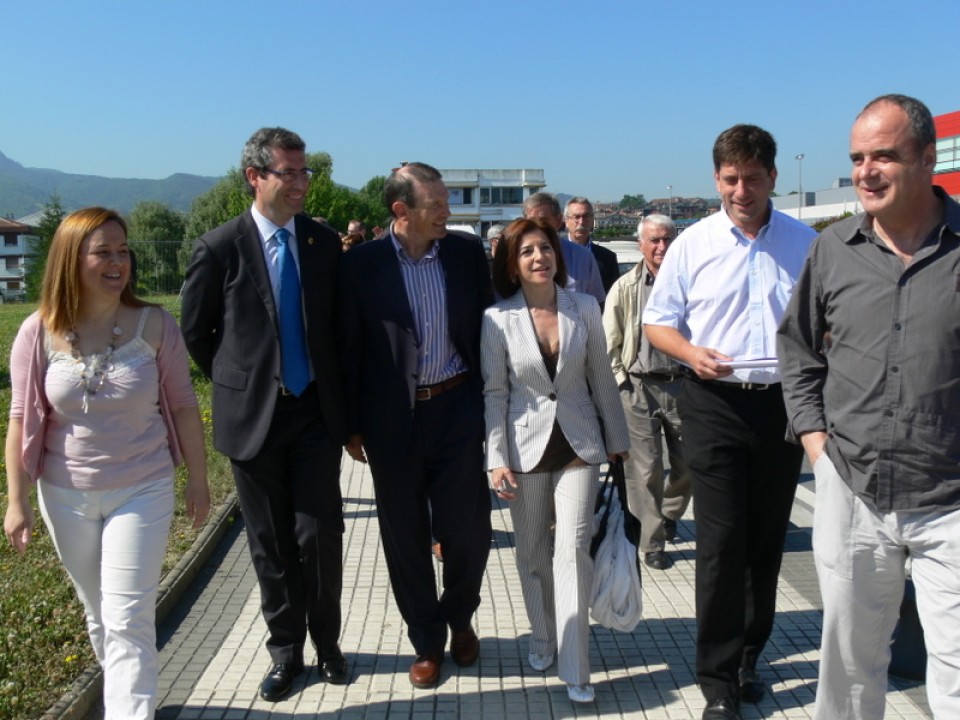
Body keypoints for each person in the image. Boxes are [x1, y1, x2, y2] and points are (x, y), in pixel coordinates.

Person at [778, 94, 960, 720]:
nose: (866, 172)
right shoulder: (834, 249)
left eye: (884, 156)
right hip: (854, 489)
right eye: (857, 158)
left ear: (928, 159)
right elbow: (797, 349)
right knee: (849, 671)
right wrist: (816, 445)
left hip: (950, 500)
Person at [3, 207, 210, 719]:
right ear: (71, 260)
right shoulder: (37, 332)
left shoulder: (155, 325)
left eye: (123, 251)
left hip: (143, 488)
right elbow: (20, 419)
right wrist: (16, 501)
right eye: (103, 252)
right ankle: (125, 697)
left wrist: (198, 479)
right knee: (99, 613)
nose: (119, 262)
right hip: (64, 494)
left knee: (127, 615)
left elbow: (185, 406)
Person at [643, 124, 815, 720]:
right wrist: (691, 354)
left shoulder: (806, 243)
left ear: (773, 177)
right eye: (731, 179)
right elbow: (657, 323)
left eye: (753, 178)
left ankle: (748, 657)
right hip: (712, 403)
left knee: (765, 539)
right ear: (716, 179)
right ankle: (716, 680)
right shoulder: (692, 244)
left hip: (781, 406)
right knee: (720, 542)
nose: (742, 190)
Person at [180, 127, 349, 702]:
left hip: (314, 414)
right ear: (255, 176)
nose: (301, 183)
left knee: (319, 535)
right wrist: (245, 381)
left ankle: (328, 644)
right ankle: (285, 652)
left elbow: (337, 328)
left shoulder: (322, 243)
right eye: (289, 173)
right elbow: (196, 333)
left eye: (305, 173)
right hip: (253, 418)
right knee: (271, 543)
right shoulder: (219, 247)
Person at [338, 162, 493, 689]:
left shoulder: (466, 253)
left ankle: (460, 617)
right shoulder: (361, 265)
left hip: (457, 409)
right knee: (404, 538)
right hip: (392, 421)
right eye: (437, 205)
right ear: (401, 210)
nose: (447, 212)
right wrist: (351, 425)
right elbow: (347, 348)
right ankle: (427, 641)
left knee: (468, 531)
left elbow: (489, 329)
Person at [481, 217, 629, 704]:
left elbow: (601, 377)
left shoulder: (583, 307)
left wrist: (617, 437)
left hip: (579, 446)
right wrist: (495, 458)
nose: (538, 257)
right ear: (512, 265)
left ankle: (576, 666)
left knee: (572, 552)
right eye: (526, 252)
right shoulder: (496, 319)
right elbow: (495, 392)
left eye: (544, 248)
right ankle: (543, 636)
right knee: (532, 554)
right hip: (523, 448)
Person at [603, 214, 691, 571]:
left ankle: (669, 512)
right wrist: (621, 381)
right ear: (641, 245)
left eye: (668, 238)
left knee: (691, 463)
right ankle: (652, 542)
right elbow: (609, 340)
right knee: (646, 470)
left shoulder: (691, 282)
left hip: (683, 385)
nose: (662, 246)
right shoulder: (626, 287)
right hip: (639, 387)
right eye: (654, 240)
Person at [522, 192, 605, 305]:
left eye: (543, 221)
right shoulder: (515, 257)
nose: (537, 226)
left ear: (558, 221)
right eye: (532, 221)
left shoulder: (583, 257)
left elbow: (596, 303)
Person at [564, 196, 620, 293]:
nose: (581, 222)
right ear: (566, 221)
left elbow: (613, 295)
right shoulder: (555, 254)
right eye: (576, 217)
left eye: (586, 216)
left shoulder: (608, 258)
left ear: (592, 220)